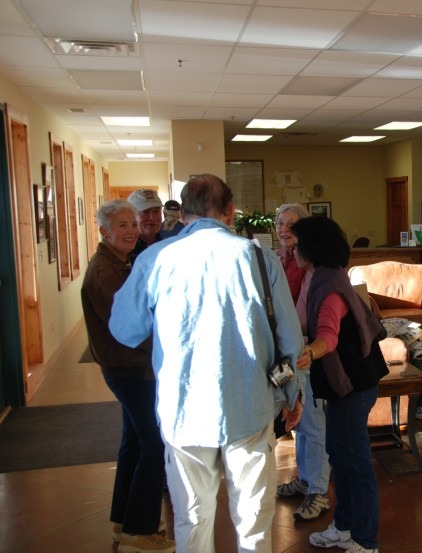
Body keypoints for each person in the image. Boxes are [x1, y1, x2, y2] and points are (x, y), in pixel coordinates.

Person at [110, 174, 305, 553]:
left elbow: (123, 328)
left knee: (191, 519)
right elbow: (290, 338)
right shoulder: (261, 259)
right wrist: (292, 394)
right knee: (253, 521)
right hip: (249, 407)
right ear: (230, 211)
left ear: (183, 215)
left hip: (184, 411)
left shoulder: (156, 259)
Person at [80, 200, 174, 553]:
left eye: (132, 224)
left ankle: (124, 520)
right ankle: (139, 529)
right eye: (123, 225)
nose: (132, 231)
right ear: (104, 231)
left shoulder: (119, 262)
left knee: (134, 442)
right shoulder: (104, 271)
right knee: (154, 444)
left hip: (129, 367)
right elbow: (129, 327)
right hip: (130, 369)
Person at [290, 215, 387, 553]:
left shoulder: (329, 287)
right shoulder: (325, 275)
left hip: (353, 385)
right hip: (349, 383)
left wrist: (309, 352)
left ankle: (365, 541)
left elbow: (328, 337)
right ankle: (344, 527)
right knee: (339, 455)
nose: (293, 250)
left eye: (297, 244)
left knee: (355, 464)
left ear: (312, 248)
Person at [274, 203, 332, 522]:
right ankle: (306, 479)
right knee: (297, 419)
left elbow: (304, 315)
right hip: (287, 351)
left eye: (292, 224)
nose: (284, 229)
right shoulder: (278, 259)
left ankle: (318, 490)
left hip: (306, 350)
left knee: (312, 421)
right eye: (280, 223)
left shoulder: (311, 264)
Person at [126, 189, 164, 263]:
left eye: (156, 211)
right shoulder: (125, 250)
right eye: (145, 212)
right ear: (131, 216)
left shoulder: (168, 245)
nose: (152, 217)